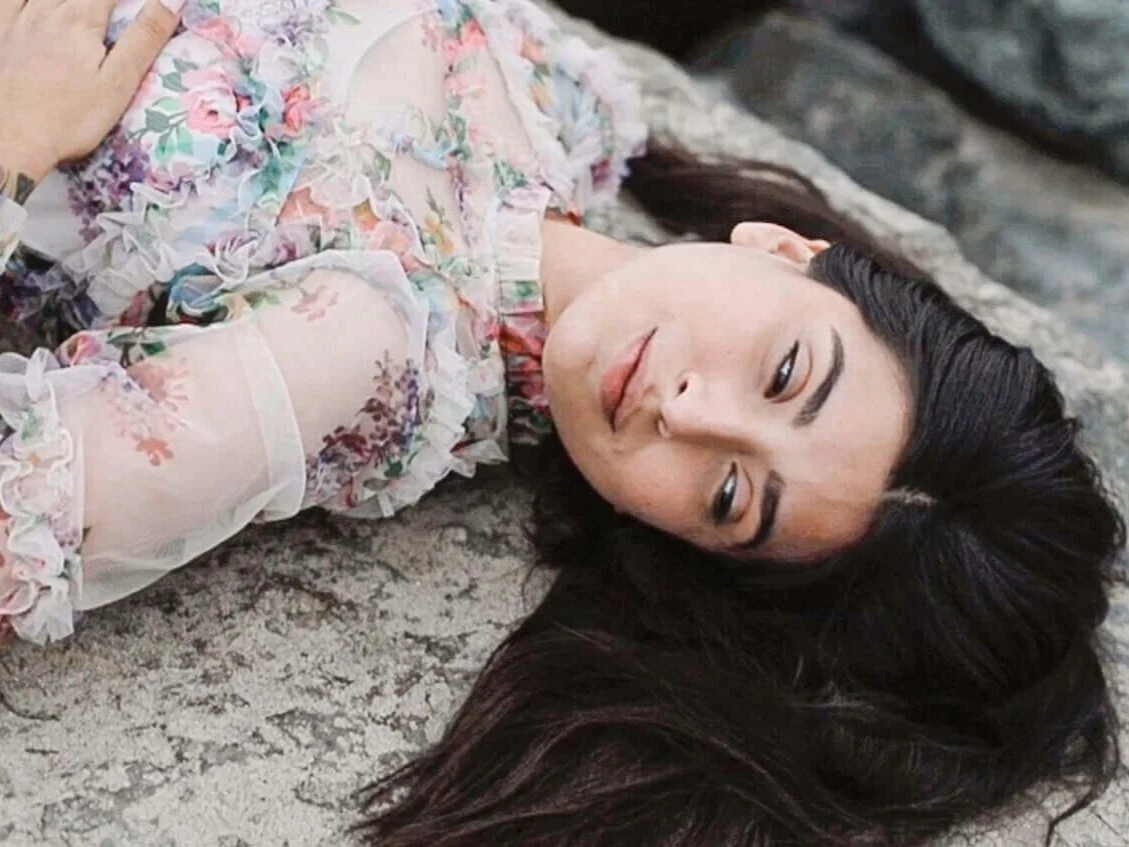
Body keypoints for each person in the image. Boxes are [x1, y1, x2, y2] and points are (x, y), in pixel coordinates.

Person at [0, 1, 1122, 845]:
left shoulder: (360, 354)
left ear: (683, 544)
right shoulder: (558, 105)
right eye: (784, 372)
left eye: (730, 494)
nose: (691, 410)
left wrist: (12, 132)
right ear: (787, 255)